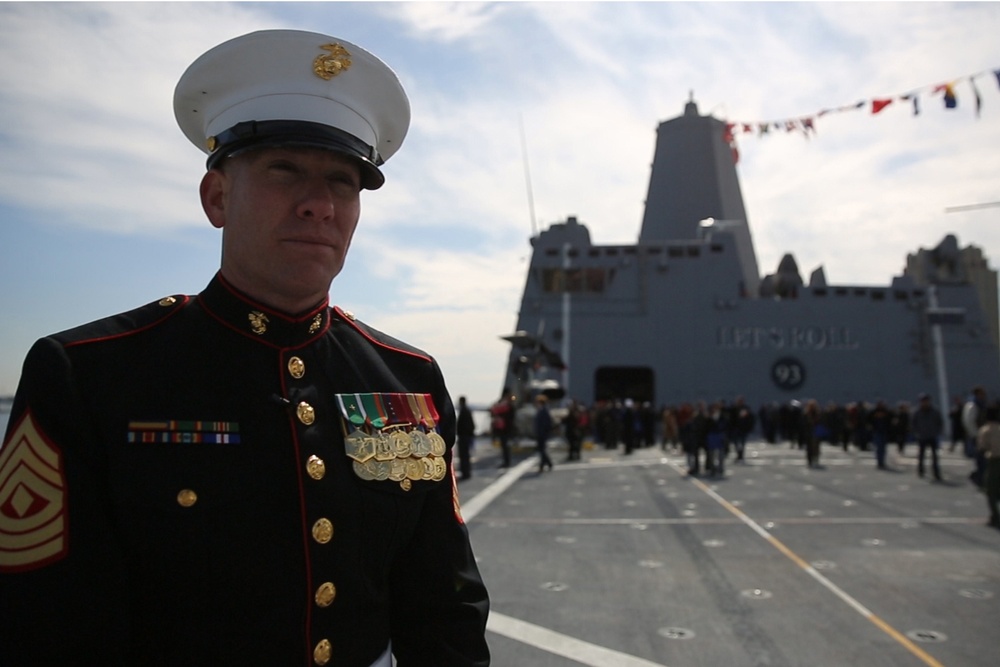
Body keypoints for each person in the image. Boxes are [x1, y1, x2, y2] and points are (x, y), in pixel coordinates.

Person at [0, 30, 490, 667]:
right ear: (216, 197)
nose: (319, 204)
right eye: (284, 170)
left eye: (342, 182)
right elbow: (42, 619)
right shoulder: (89, 374)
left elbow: (445, 606)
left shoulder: (410, 381)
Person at [976, 404, 1000, 529]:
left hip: (994, 461)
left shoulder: (986, 429)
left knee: (991, 491)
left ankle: (995, 516)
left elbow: (982, 448)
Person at [911, 393, 943, 481]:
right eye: (923, 401)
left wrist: (937, 432)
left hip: (932, 436)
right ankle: (921, 470)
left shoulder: (934, 411)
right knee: (921, 455)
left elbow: (939, 422)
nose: (924, 403)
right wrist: (917, 432)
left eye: (926, 401)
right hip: (922, 436)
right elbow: (913, 423)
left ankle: (936, 473)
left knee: (935, 456)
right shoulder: (917, 412)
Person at [490, 392, 514, 468]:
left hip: (504, 430)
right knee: (505, 447)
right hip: (506, 430)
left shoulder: (507, 407)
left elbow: (495, 410)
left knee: (505, 447)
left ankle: (506, 462)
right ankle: (506, 461)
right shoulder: (509, 408)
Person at [534, 394, 554, 472]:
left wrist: (543, 432)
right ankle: (546, 464)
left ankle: (546, 464)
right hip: (540, 433)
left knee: (542, 450)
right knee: (541, 450)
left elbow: (546, 423)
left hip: (542, 433)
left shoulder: (544, 411)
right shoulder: (541, 410)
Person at [457, 396, 476, 480]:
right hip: (466, 436)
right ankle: (466, 472)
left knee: (464, 455)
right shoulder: (467, 410)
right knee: (466, 455)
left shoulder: (463, 411)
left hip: (463, 436)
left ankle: (465, 473)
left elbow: (462, 425)